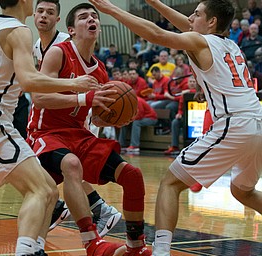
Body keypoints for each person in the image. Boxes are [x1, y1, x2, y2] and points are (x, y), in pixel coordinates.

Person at [89, 1, 262, 256]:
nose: (190, 18)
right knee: (242, 190)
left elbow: (156, 35)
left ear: (211, 22)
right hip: (257, 123)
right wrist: (155, 3)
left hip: (235, 123)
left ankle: (160, 252)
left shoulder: (203, 42)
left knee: (170, 182)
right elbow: (187, 24)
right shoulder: (229, 44)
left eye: (197, 14)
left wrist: (111, 10)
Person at [0, 0, 100, 255]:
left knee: (50, 192)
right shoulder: (20, 30)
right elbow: (29, 80)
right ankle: (25, 252)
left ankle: (35, 248)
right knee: (39, 190)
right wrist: (74, 85)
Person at [27, 3, 151, 255]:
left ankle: (136, 245)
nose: (91, 19)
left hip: (78, 133)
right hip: (45, 132)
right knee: (72, 165)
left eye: (94, 16)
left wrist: (115, 118)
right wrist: (83, 98)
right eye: (83, 17)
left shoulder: (101, 70)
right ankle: (91, 242)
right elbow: (39, 97)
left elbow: (95, 116)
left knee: (132, 175)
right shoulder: (58, 53)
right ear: (71, 30)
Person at [29, 0, 121, 237]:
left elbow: (85, 82)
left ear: (59, 21)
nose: (44, 17)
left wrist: (98, 109)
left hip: (79, 117)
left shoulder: (64, 44)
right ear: (33, 14)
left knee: (68, 167)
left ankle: (91, 214)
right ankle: (88, 209)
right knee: (54, 171)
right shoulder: (38, 46)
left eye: (50, 13)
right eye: (40, 12)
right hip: (63, 116)